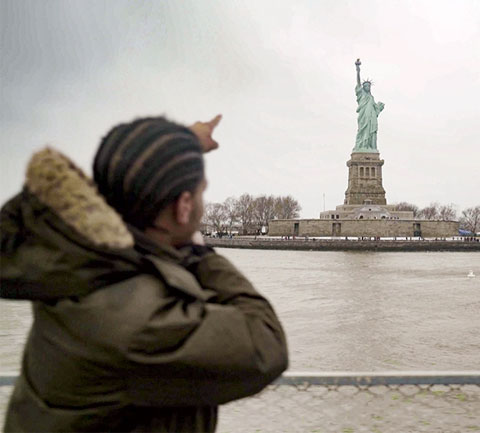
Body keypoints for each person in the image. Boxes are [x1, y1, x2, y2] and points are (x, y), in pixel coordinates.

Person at [1, 115, 289, 432]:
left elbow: (125, 176)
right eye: (201, 193)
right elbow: (265, 345)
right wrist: (200, 252)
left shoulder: (82, 260)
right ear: (183, 206)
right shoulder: (135, 321)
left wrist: (182, 147)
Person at [354, 59, 385, 151]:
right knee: (363, 130)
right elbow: (358, 83)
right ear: (363, 87)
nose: (368, 87)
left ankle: (370, 147)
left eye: (369, 86)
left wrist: (379, 108)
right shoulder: (361, 94)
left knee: (371, 132)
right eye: (366, 86)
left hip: (371, 117)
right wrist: (358, 70)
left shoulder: (371, 97)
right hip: (364, 116)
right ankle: (362, 146)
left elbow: (376, 109)